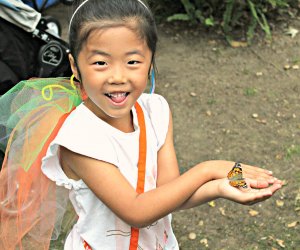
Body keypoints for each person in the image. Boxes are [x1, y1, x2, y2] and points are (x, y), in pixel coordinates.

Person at [0, 0, 282, 249]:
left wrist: (223, 185)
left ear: (150, 62)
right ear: (75, 66)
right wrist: (208, 169)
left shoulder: (156, 111)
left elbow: (169, 193)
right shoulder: (78, 138)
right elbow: (136, 211)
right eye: (100, 63)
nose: (118, 76)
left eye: (133, 61)